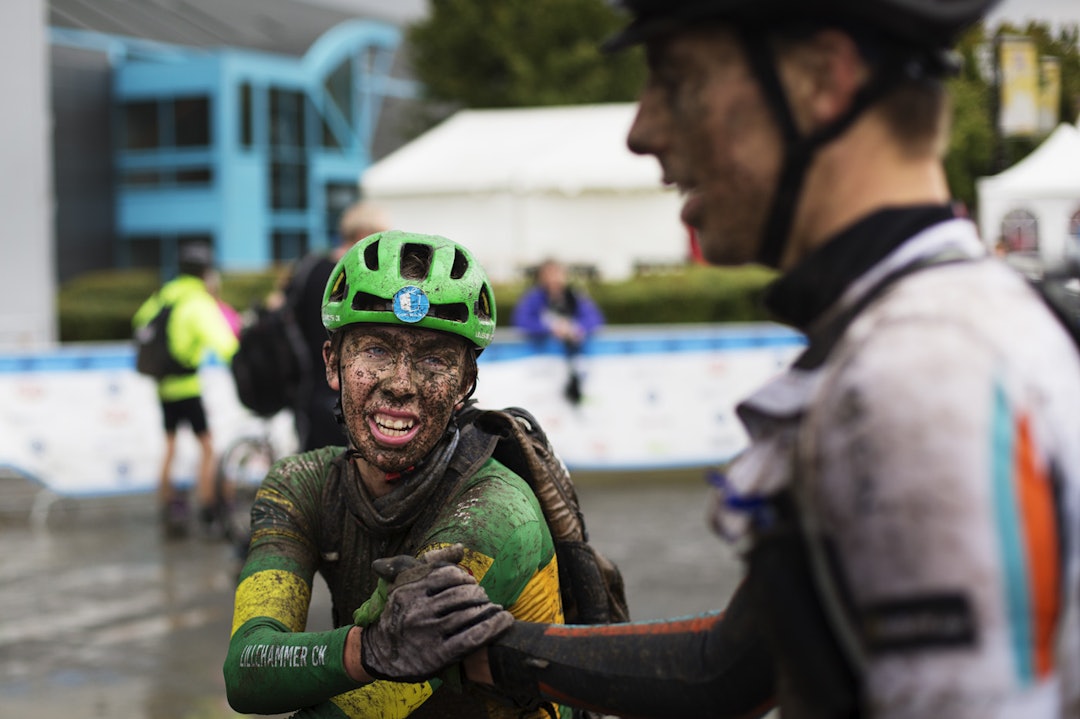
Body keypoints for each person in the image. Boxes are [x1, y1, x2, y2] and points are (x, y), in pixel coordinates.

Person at [361, 0, 1080, 716]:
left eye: (679, 80)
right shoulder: (930, 328)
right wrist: (487, 648)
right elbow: (736, 664)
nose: (642, 131)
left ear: (823, 78)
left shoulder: (921, 372)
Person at [223, 230, 570, 719]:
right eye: (377, 351)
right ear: (333, 364)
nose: (401, 384)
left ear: (465, 383)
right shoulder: (299, 486)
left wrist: (358, 654)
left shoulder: (497, 514)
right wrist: (366, 649)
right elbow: (247, 671)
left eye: (434, 358)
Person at [132, 243, 240, 537]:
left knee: (169, 446)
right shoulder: (198, 302)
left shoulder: (165, 294)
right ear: (206, 272)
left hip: (163, 386)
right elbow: (225, 344)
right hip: (188, 386)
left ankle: (167, 507)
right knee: (207, 447)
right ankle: (207, 509)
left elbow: (140, 323)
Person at [287, 201, 391, 451]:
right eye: (381, 237)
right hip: (342, 391)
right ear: (364, 234)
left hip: (309, 387)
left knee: (314, 462)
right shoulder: (361, 277)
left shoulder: (311, 268)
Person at [512, 259, 605, 404]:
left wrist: (576, 329)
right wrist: (549, 328)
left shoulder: (574, 296)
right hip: (543, 362)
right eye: (549, 274)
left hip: (574, 360)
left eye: (557, 274)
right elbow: (521, 320)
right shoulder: (533, 298)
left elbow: (594, 318)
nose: (553, 279)